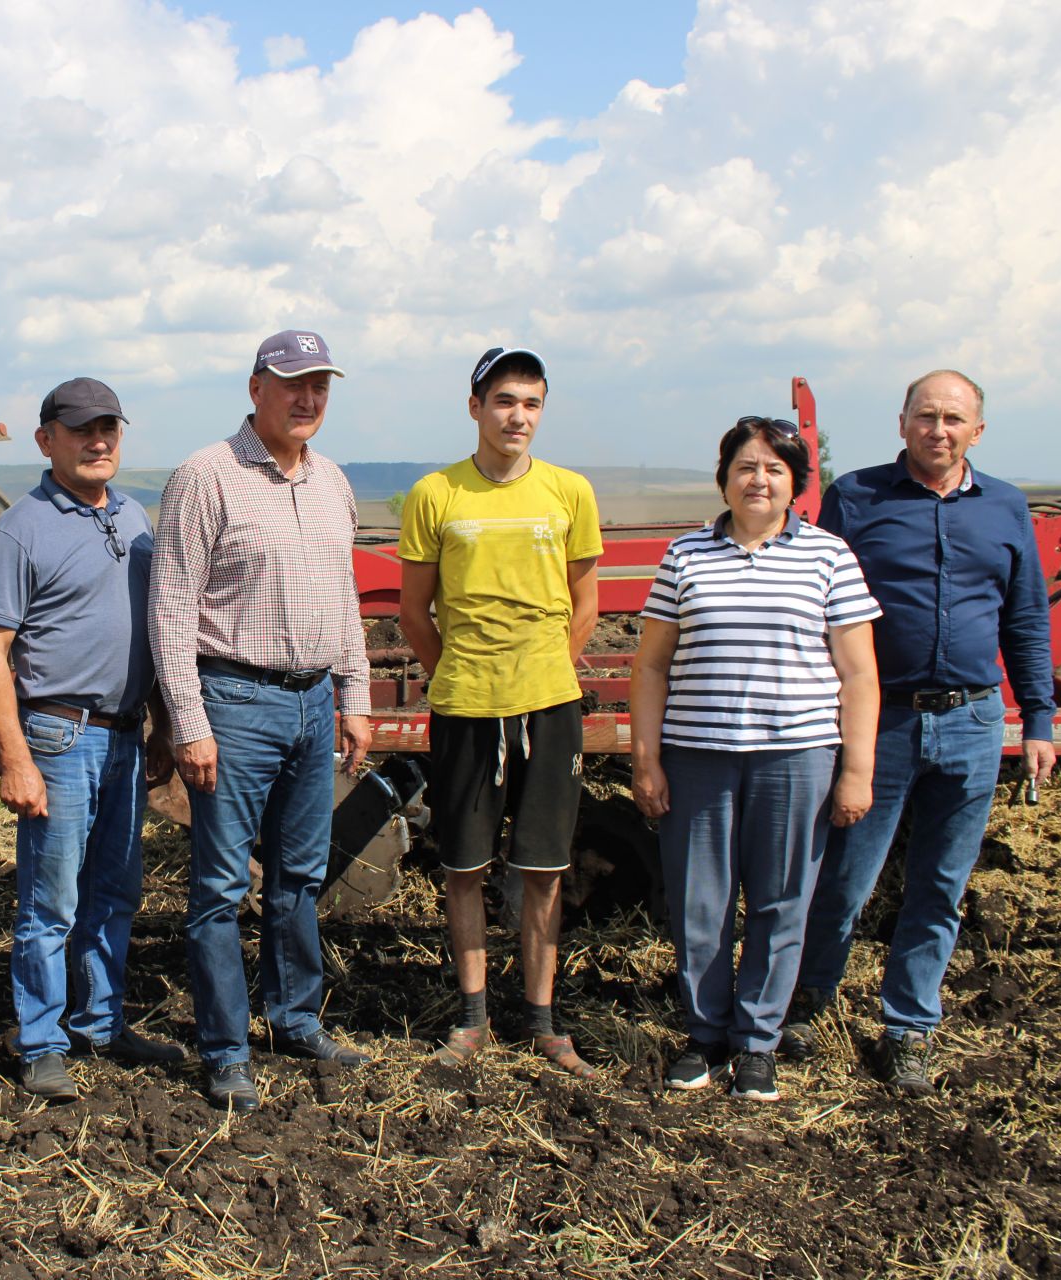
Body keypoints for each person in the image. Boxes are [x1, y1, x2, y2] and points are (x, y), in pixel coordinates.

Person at [786, 370, 1056, 1096]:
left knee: (939, 886)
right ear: (901, 422)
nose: (940, 430)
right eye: (927, 416)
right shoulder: (858, 498)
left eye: (954, 419)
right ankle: (810, 1003)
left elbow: (1026, 619)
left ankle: (908, 1028)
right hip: (884, 718)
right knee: (846, 877)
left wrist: (1037, 719)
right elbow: (818, 604)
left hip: (973, 719)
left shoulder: (1004, 507)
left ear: (978, 430)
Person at [150, 329, 374, 1114]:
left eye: (319, 385)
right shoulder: (206, 477)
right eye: (292, 384)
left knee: (300, 879)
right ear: (256, 389)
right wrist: (189, 720)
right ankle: (225, 1049)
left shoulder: (332, 482)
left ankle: (294, 1019)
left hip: (315, 703)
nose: (307, 398)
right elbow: (171, 609)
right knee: (217, 885)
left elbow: (344, 601)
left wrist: (355, 697)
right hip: (236, 703)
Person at [630, 417, 881, 1102]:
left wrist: (855, 768)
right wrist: (646, 758)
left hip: (796, 759)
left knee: (779, 902)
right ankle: (705, 1036)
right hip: (699, 757)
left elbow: (859, 675)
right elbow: (651, 667)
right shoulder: (686, 557)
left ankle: (757, 1044)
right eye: (745, 466)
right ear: (724, 478)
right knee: (700, 903)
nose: (758, 479)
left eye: (774, 468)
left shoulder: (828, 557)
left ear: (796, 483)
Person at [0, 377, 184, 1101]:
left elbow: (146, 632)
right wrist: (17, 756)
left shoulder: (132, 518)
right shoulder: (19, 530)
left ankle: (100, 1022)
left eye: (109, 430)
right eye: (83, 430)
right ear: (46, 440)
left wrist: (157, 720)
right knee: (50, 903)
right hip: (58, 736)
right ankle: (39, 1040)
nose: (99, 442)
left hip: (124, 736)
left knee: (117, 892)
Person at [395, 346, 603, 1079]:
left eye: (533, 403)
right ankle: (474, 1016)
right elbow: (414, 612)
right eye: (506, 400)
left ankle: (544, 1023)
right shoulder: (435, 495)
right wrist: (455, 672)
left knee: (544, 868)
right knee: (463, 867)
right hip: (466, 708)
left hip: (549, 705)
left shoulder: (569, 492)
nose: (519, 416)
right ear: (476, 405)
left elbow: (586, 602)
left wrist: (550, 669)